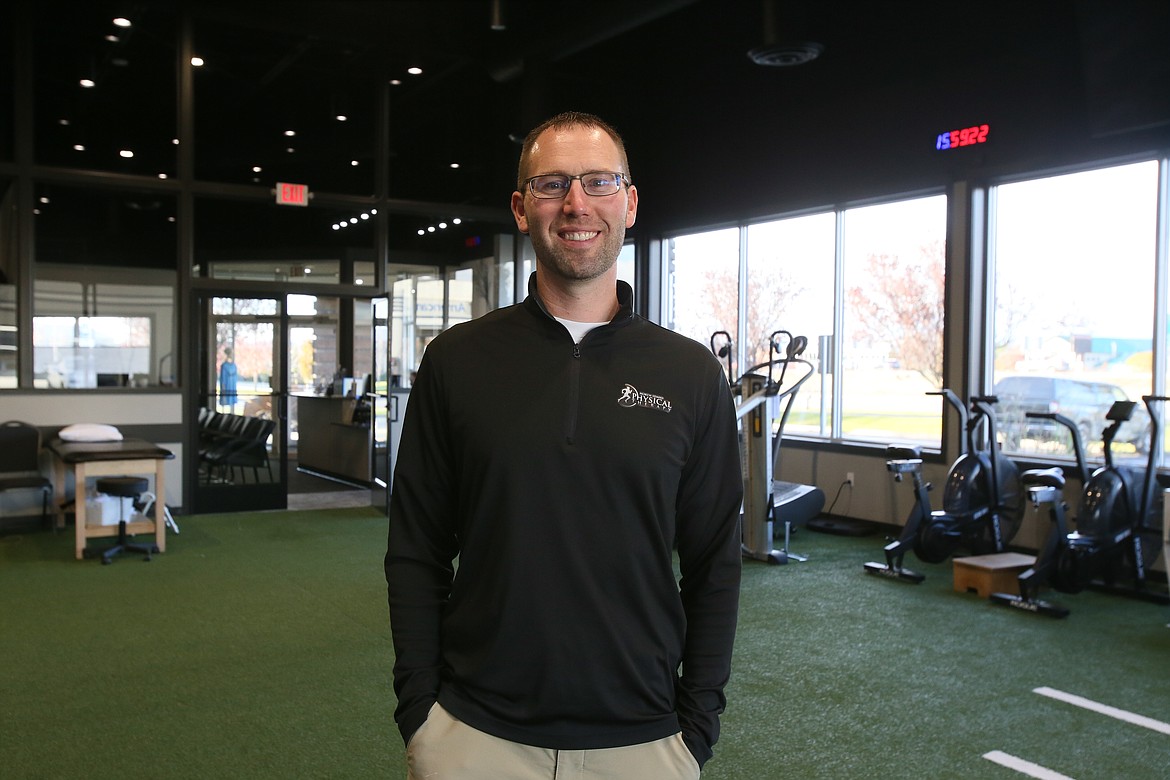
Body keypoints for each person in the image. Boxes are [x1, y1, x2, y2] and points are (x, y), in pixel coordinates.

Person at [385, 111, 743, 779]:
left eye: (599, 182)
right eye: (552, 185)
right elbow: (415, 549)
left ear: (629, 203)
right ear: (522, 209)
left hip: (646, 741)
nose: (576, 203)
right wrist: (421, 713)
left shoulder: (690, 374)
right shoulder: (457, 361)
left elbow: (714, 564)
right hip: (473, 735)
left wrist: (695, 726)